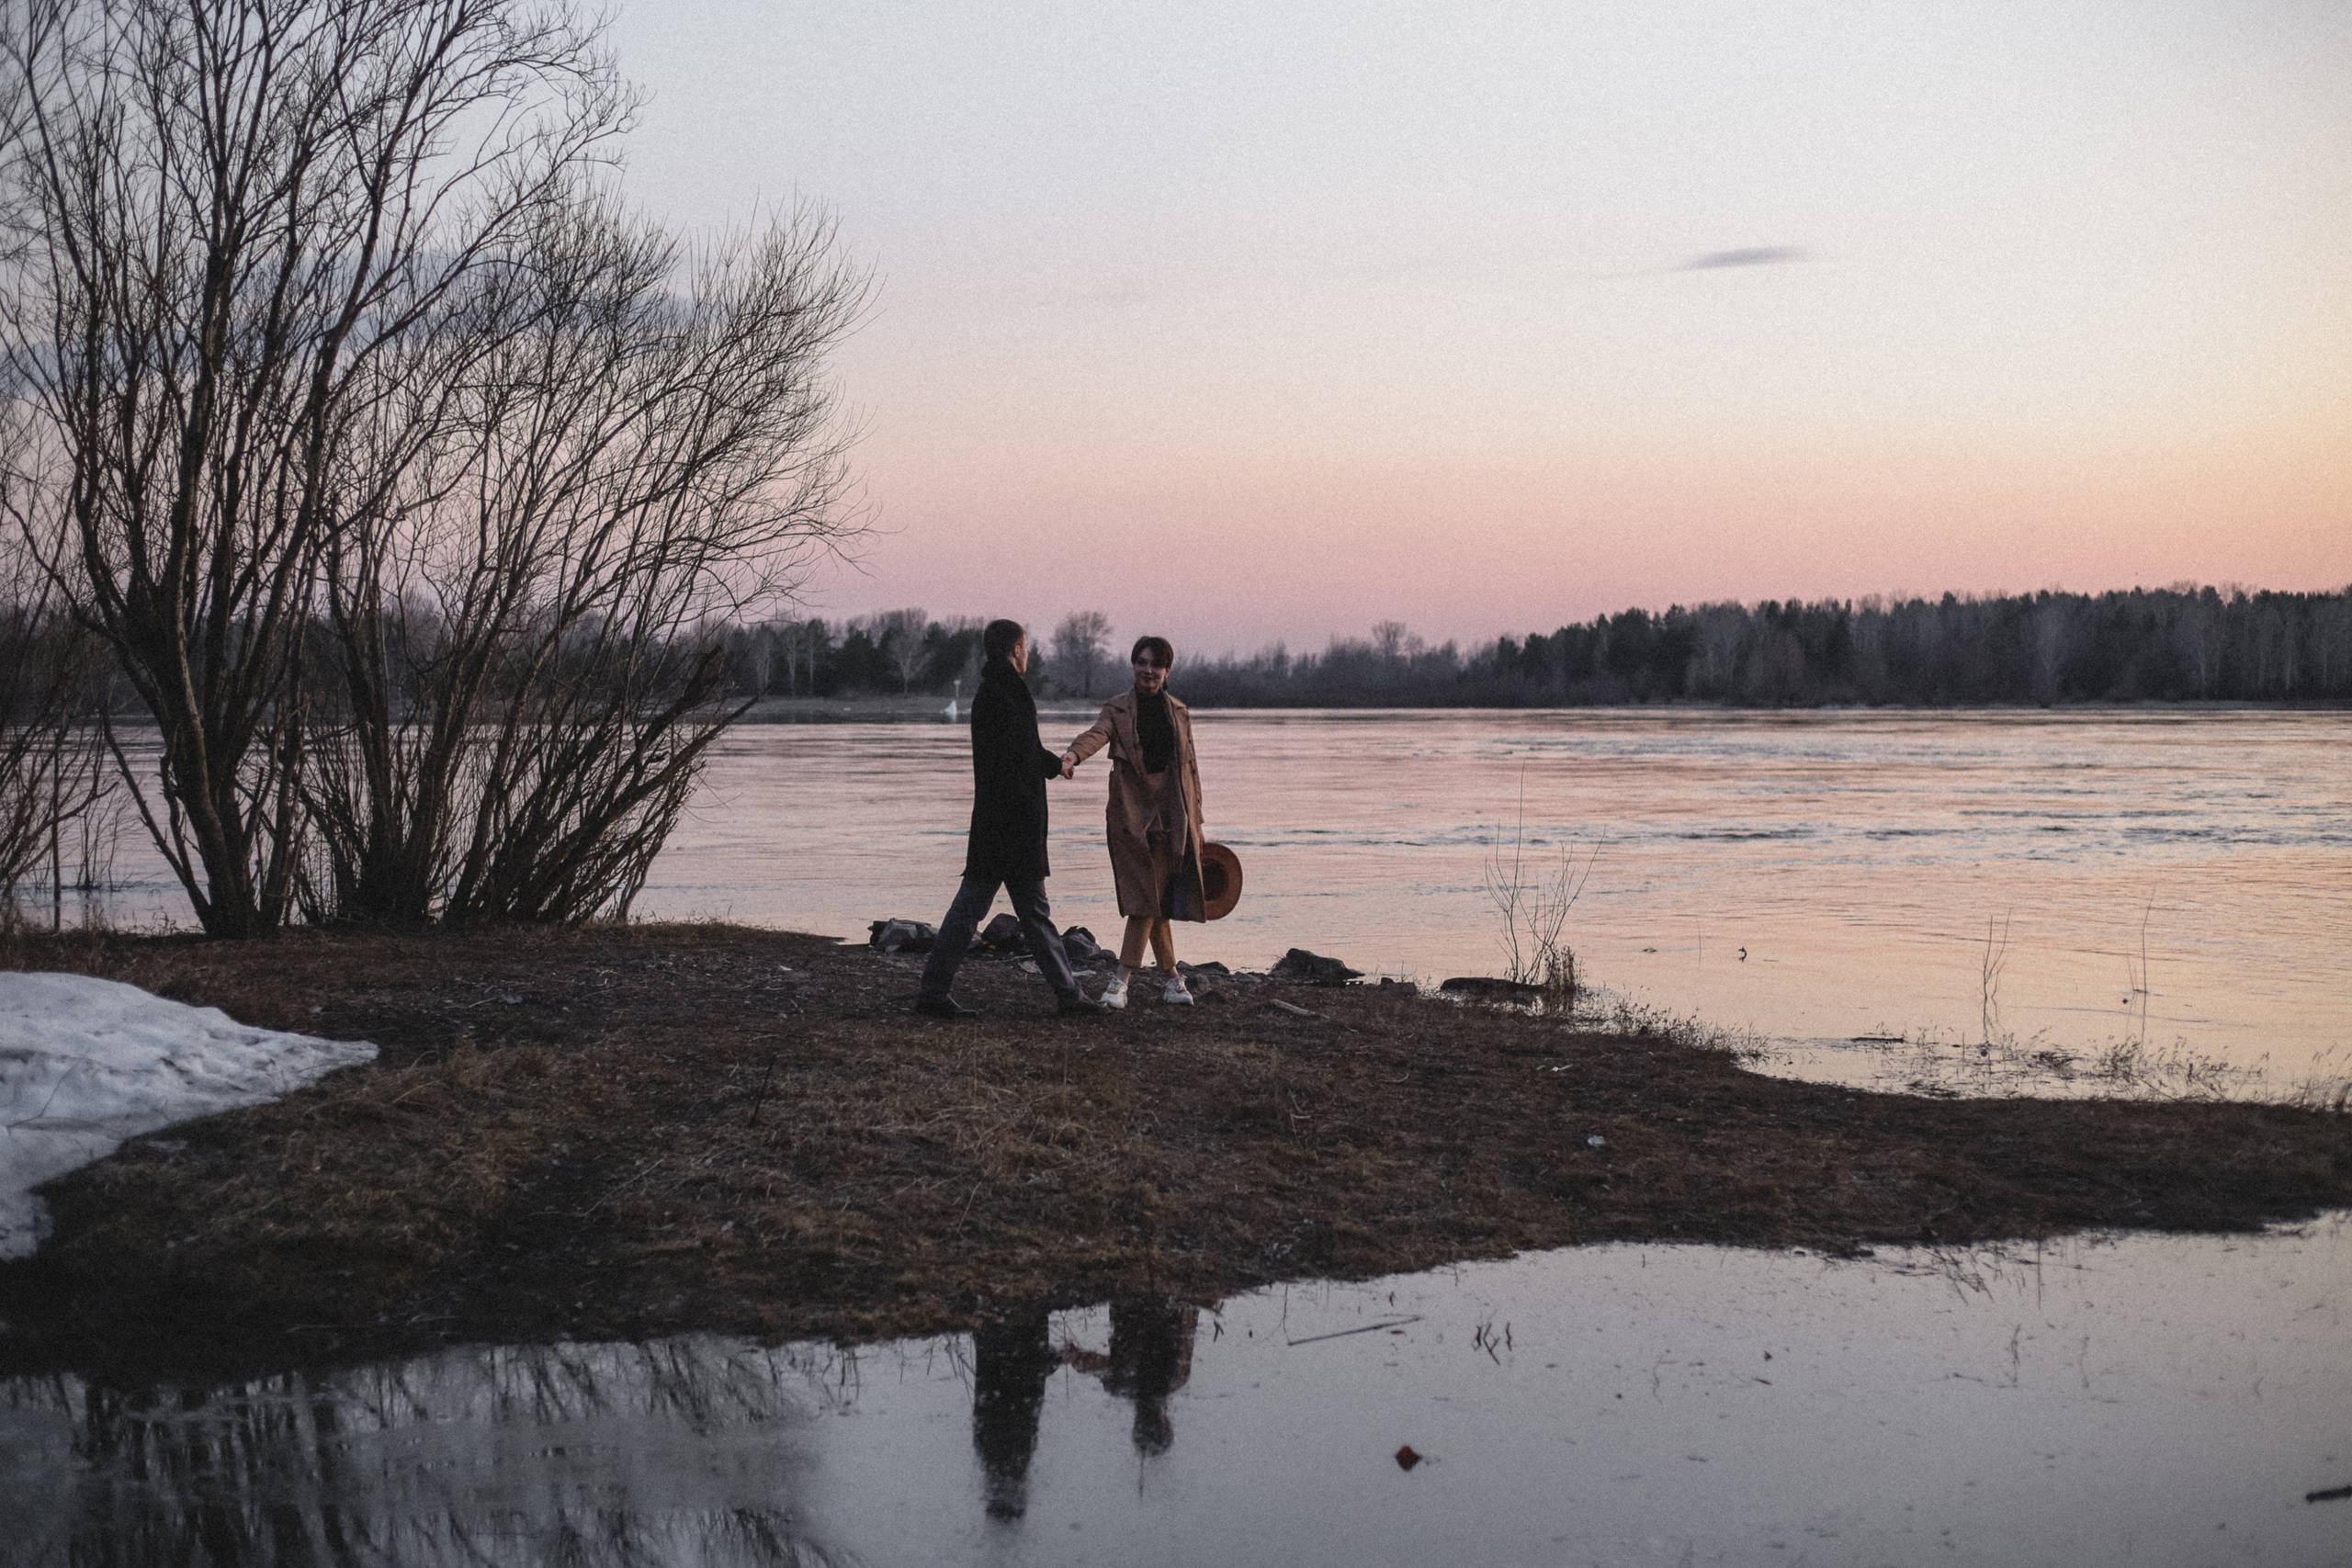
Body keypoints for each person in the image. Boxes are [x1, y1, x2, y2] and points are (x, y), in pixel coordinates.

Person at [917, 620, 1104, 1019]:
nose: (1028, 654)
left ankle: (934, 992)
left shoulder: (994, 690)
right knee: (1021, 914)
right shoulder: (1004, 693)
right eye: (1026, 647)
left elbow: (1021, 749)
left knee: (985, 913)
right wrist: (1058, 766)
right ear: (1015, 649)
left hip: (997, 823)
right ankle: (1069, 998)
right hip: (1011, 825)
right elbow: (1023, 753)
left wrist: (1052, 764)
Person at [1060, 636, 1208, 1008]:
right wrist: (1072, 756)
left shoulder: (1179, 711)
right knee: (1146, 895)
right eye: (1141, 662)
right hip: (1132, 812)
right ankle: (1123, 980)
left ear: (1167, 670)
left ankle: (1171, 980)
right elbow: (1097, 735)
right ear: (1133, 665)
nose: (1148, 670)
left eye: (1155, 665)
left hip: (1173, 814)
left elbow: (1190, 768)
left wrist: (1198, 822)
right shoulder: (1118, 708)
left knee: (1154, 896)